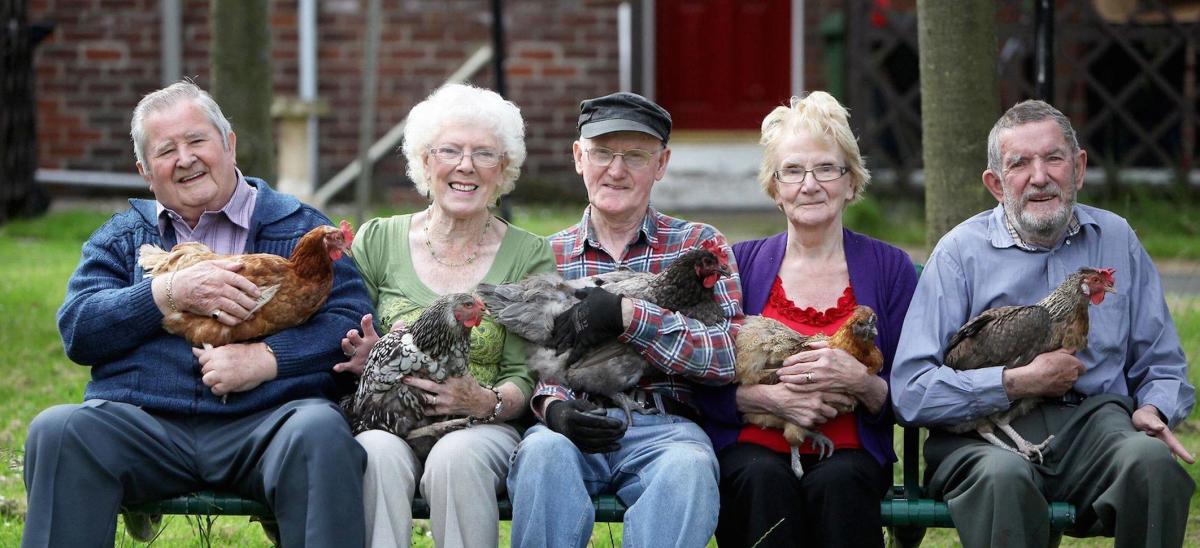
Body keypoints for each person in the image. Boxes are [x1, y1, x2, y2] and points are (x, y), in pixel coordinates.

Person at [22, 81, 372, 547]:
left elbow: (351, 318)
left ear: (228, 144)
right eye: (166, 150)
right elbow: (80, 329)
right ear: (146, 171)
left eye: (197, 141)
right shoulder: (122, 237)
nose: (185, 158)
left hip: (270, 423)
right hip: (145, 425)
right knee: (59, 431)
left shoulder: (300, 227)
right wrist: (165, 293)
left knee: (320, 431)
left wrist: (269, 358)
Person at [891, 99, 1195, 548]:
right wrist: (1014, 382)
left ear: (1079, 167)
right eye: (1020, 164)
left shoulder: (1118, 240)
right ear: (996, 183)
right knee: (1003, 478)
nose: (1040, 176)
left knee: (1152, 466)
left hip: (1095, 427)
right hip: (981, 434)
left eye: (1054, 158)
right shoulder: (960, 253)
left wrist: (1153, 408)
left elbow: (1163, 363)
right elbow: (911, 388)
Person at [504, 91, 743, 547]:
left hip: (664, 427)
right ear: (579, 157)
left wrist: (631, 317)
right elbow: (527, 358)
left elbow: (727, 352)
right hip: (572, 422)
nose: (616, 170)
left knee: (689, 467)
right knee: (541, 454)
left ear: (662, 164)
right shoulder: (543, 254)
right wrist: (553, 409)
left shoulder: (698, 244)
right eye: (602, 153)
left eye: (635, 155)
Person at [333, 83, 555, 548]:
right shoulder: (378, 239)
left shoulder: (527, 256)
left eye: (484, 154)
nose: (465, 166)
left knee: (457, 456)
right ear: (426, 162)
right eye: (450, 151)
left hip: (479, 426)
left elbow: (527, 372)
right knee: (374, 454)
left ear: (503, 170)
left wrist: (485, 401)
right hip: (386, 420)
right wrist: (364, 356)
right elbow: (341, 327)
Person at [693, 92, 918, 548]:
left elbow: (917, 387)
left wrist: (862, 381)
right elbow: (699, 381)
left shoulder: (890, 268)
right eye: (792, 171)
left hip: (851, 452)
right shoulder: (741, 265)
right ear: (775, 188)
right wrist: (772, 400)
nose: (809, 184)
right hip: (753, 447)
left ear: (851, 183)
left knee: (838, 485)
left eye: (826, 169)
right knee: (760, 481)